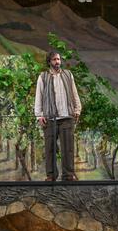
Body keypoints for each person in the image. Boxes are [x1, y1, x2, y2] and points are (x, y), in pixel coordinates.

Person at [34, 52, 82, 181]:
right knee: (50, 148)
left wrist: (77, 109)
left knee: (68, 148)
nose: (57, 61)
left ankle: (68, 175)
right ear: (49, 61)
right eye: (54, 59)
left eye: (59, 59)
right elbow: (39, 96)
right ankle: (51, 175)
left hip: (67, 116)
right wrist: (39, 115)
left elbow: (74, 92)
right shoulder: (43, 77)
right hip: (50, 118)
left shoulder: (68, 75)